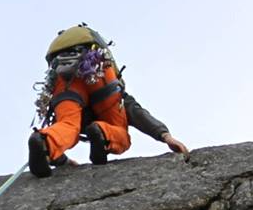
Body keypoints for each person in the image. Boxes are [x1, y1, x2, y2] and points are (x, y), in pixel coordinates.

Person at [28, 24, 189, 178]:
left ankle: (44, 140)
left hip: (62, 71)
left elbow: (59, 131)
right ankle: (102, 133)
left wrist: (59, 159)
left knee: (67, 124)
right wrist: (165, 136)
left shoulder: (76, 109)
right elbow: (136, 112)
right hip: (96, 67)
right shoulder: (115, 102)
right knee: (121, 134)